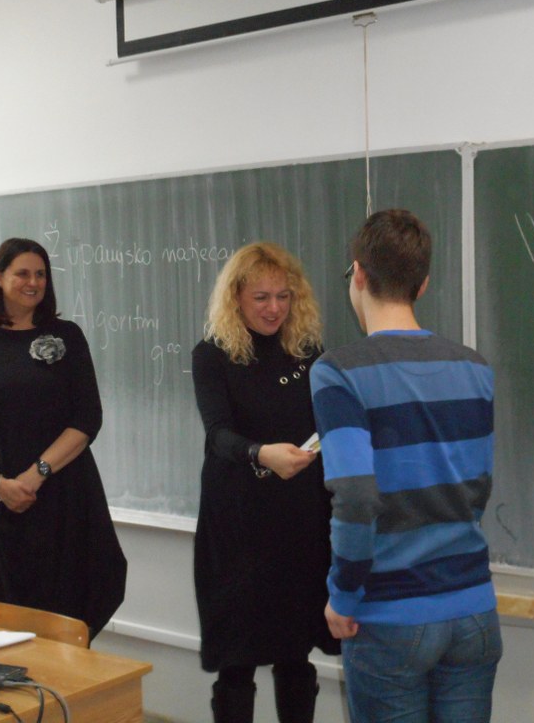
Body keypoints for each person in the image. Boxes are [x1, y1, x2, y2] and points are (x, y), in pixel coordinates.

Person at [310, 209, 502, 723]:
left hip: (390, 616)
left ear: (358, 275)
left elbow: (356, 498)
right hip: (472, 609)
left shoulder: (339, 372)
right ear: (423, 283)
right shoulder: (474, 367)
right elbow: (477, 486)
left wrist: (342, 595)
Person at [191, 242, 339, 723]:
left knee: (295, 654)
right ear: (235, 297)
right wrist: (261, 454)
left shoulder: (309, 353)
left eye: (283, 296)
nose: (274, 308)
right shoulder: (212, 355)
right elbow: (218, 435)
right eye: (261, 297)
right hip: (237, 526)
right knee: (237, 660)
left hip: (299, 522)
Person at [0, 237, 126, 640]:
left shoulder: (68, 336)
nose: (34, 282)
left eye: (41, 274)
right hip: (0, 501)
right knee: (7, 632)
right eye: (23, 273)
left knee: (68, 625)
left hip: (64, 499)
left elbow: (88, 418)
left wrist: (35, 475)